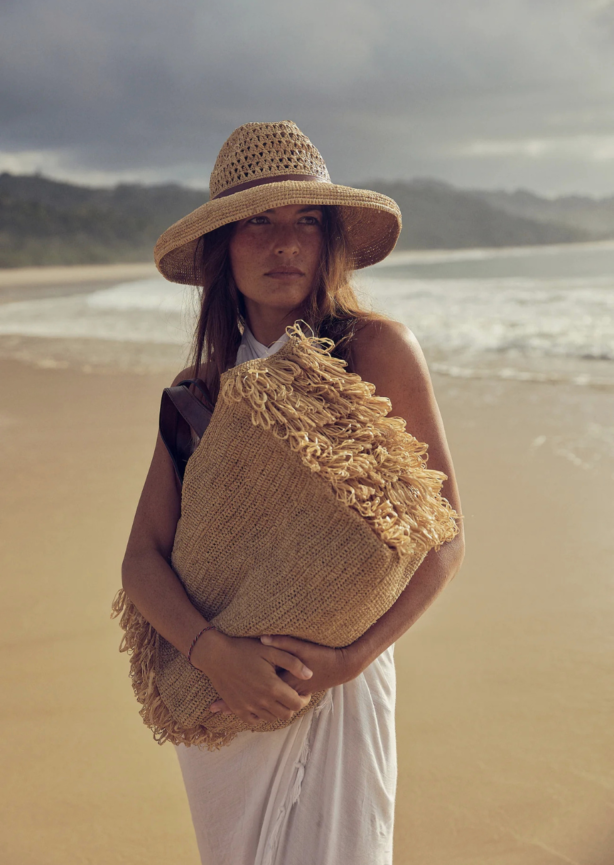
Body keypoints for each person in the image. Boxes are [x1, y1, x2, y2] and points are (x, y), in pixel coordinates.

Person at [121, 121, 464, 865]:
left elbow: (444, 536)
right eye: (259, 223)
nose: (285, 244)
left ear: (329, 238)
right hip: (224, 702)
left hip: (334, 686)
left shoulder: (374, 352)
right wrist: (212, 652)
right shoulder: (197, 394)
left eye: (307, 220)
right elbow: (141, 560)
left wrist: (353, 659)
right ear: (223, 247)